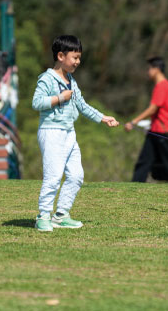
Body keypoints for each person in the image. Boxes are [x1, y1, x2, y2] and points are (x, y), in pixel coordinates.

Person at [32, 34, 119, 232]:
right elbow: (37, 103)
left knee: (76, 175)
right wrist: (60, 97)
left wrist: (103, 118)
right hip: (51, 132)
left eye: (79, 58)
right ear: (61, 56)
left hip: (69, 133)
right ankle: (43, 216)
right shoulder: (47, 79)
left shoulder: (72, 80)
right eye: (75, 57)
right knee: (53, 177)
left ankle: (61, 215)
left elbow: (82, 105)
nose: (78, 62)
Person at [124, 56, 168, 184]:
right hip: (155, 130)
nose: (147, 72)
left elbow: (153, 109)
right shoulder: (164, 85)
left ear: (157, 69)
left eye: (149, 69)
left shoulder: (162, 86)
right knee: (144, 161)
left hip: (162, 131)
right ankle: (134, 186)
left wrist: (133, 122)